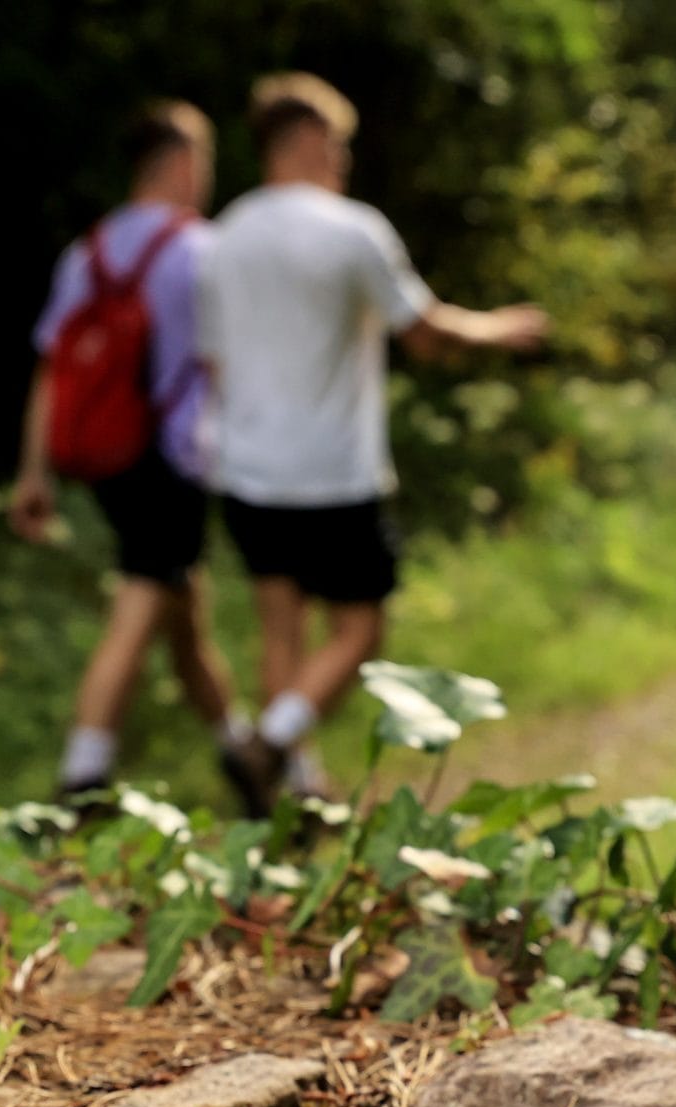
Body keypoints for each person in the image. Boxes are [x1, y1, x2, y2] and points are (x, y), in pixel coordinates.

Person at [201, 73, 547, 812]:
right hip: (331, 470)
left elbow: (212, 358)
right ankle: (270, 743)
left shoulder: (225, 234)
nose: (344, 161)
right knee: (360, 628)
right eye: (338, 145)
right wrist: (502, 329)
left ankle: (293, 783)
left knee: (280, 628)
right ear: (306, 141)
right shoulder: (351, 228)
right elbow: (423, 327)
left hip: (248, 468)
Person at [12, 100, 249, 805]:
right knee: (143, 602)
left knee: (185, 618)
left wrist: (33, 471)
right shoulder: (202, 251)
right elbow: (230, 365)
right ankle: (82, 777)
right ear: (181, 163)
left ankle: (250, 754)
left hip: (107, 460)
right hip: (173, 459)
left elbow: (53, 369)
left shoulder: (87, 252)